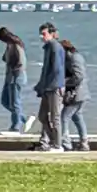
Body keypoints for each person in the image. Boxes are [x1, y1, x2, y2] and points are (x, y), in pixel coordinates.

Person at [34, 23, 66, 151]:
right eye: (41, 34)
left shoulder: (55, 47)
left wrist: (49, 85)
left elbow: (56, 69)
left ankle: (58, 145)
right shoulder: (48, 47)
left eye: (44, 34)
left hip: (55, 87)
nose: (42, 36)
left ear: (52, 34)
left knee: (55, 117)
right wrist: (40, 86)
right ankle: (53, 141)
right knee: (42, 116)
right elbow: (46, 69)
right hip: (47, 87)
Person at [0, 25, 28, 133]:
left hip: (16, 77)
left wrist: (14, 72)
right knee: (5, 101)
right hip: (9, 77)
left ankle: (16, 127)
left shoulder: (16, 45)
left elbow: (20, 63)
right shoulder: (10, 46)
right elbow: (5, 58)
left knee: (15, 103)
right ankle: (24, 118)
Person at [63, 35, 90, 153]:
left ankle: (66, 143)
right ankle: (84, 142)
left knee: (64, 117)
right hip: (80, 92)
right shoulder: (72, 58)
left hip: (77, 93)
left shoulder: (74, 58)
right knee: (77, 116)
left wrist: (63, 83)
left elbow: (79, 76)